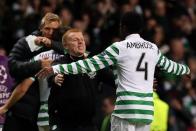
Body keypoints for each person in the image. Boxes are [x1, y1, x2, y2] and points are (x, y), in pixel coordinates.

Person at [37, 11, 191, 131]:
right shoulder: (152, 48)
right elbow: (170, 66)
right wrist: (186, 69)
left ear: (123, 27)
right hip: (146, 112)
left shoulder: (119, 47)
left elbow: (87, 65)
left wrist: (55, 68)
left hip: (126, 111)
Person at [2, 13, 63, 131]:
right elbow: (12, 67)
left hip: (53, 109)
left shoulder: (63, 47)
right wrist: (38, 64)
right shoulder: (27, 42)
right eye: (47, 28)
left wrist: (51, 44)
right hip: (26, 108)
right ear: (41, 28)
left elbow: (74, 50)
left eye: (54, 30)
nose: (50, 32)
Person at [48, 28, 115, 131]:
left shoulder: (94, 62)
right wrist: (54, 78)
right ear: (65, 46)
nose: (80, 42)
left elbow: (114, 80)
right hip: (66, 126)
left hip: (89, 125)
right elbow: (52, 72)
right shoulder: (61, 62)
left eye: (82, 39)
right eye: (75, 40)